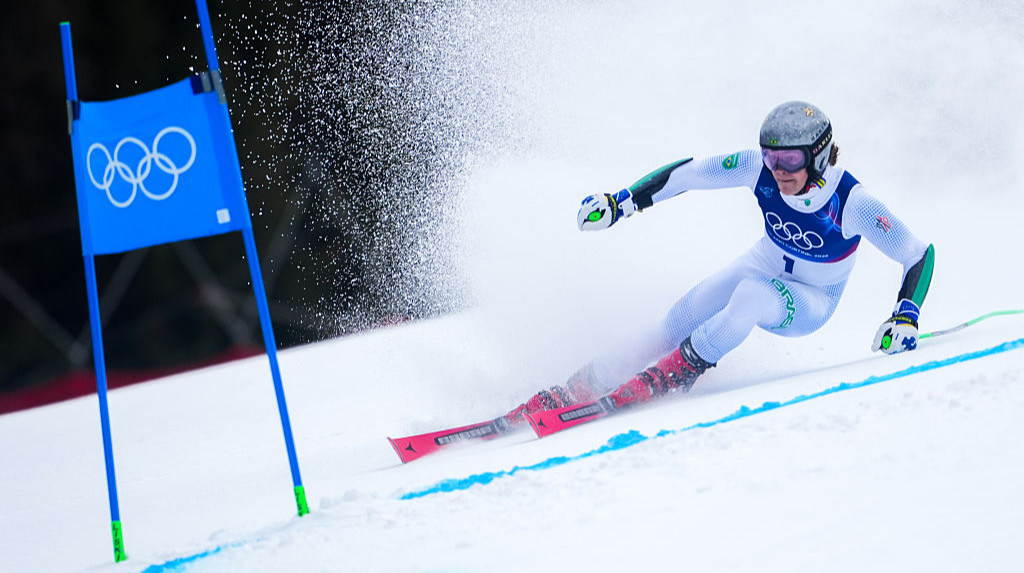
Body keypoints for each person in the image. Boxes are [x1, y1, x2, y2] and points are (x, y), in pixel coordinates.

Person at [504, 100, 934, 424]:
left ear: (818, 155)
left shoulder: (852, 202)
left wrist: (906, 317)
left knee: (748, 296)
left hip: (812, 300)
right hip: (762, 263)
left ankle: (672, 376)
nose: (777, 169)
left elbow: (917, 253)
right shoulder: (759, 169)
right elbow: (689, 173)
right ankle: (584, 384)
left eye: (790, 159)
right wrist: (623, 202)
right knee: (678, 319)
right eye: (770, 156)